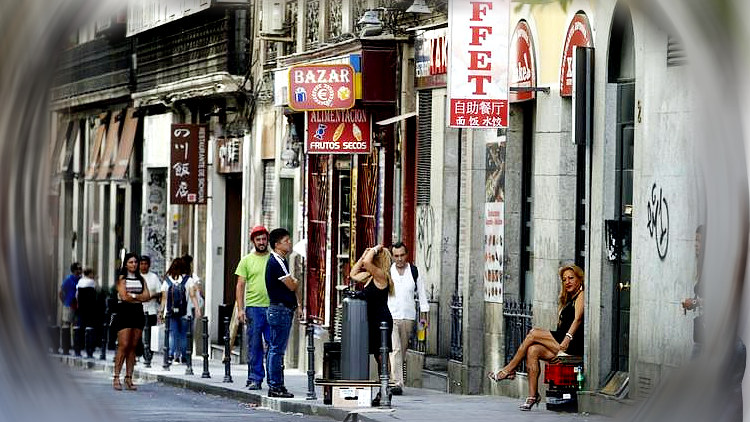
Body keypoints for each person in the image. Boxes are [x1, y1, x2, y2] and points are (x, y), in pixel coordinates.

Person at [489, 263, 584, 411]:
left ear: (580, 279)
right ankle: (532, 396)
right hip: (561, 342)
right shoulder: (568, 299)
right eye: (564, 280)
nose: (568, 282)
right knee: (532, 350)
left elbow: (578, 319)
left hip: (572, 343)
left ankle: (508, 370)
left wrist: (567, 338)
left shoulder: (581, 295)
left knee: (533, 333)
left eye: (571, 278)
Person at [387, 241, 429, 395]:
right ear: (392, 256)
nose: (399, 259)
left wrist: (424, 315)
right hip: (391, 315)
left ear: (407, 254)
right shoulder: (388, 271)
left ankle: (392, 376)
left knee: (402, 349)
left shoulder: (414, 271)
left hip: (408, 316)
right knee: (395, 349)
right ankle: (396, 383)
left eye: (402, 255)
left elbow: (422, 294)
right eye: (396, 256)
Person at [349, 244, 395, 385]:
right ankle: (384, 388)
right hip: (372, 320)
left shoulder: (382, 276)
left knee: (382, 355)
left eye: (374, 256)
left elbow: (367, 263)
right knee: (377, 355)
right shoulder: (370, 276)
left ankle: (385, 388)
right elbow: (353, 274)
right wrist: (363, 255)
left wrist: (375, 249)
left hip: (381, 320)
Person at [265, 228, 301, 398]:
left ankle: (277, 384)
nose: (289, 243)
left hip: (281, 309)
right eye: (286, 241)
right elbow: (292, 285)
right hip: (279, 309)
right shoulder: (276, 261)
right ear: (277, 244)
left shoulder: (281, 260)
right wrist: (295, 281)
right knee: (277, 349)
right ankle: (275, 385)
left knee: (275, 348)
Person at [235, 225, 271, 390]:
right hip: (254, 308)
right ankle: (255, 378)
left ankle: (274, 380)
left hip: (273, 307)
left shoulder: (273, 258)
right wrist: (241, 309)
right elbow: (240, 285)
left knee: (273, 345)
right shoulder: (247, 260)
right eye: (258, 239)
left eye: (264, 239)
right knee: (255, 344)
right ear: (253, 241)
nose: (262, 242)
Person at [112, 252, 150, 391]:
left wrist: (133, 296)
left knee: (133, 345)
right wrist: (137, 297)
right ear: (126, 264)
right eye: (131, 262)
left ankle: (129, 377)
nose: (134, 264)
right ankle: (116, 377)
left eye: (136, 262)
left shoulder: (141, 280)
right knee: (124, 345)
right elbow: (124, 297)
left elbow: (147, 296)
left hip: (138, 313)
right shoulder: (122, 279)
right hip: (124, 312)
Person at [139, 256, 162, 361]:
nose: (144, 266)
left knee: (150, 334)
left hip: (151, 310)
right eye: (142, 263)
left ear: (149, 265)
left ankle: (148, 354)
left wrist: (151, 296)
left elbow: (160, 291)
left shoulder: (153, 277)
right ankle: (139, 353)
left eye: (145, 264)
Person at [75, 268, 98, 358]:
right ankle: (90, 350)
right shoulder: (91, 282)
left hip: (81, 308)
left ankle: (78, 349)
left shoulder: (80, 282)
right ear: (89, 274)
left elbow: (76, 295)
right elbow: (97, 290)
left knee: (80, 328)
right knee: (90, 329)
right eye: (92, 273)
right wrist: (95, 280)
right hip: (90, 308)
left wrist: (78, 304)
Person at [59, 262, 82, 343]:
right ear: (73, 270)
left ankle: (74, 344)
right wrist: (64, 302)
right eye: (77, 269)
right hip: (69, 305)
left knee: (76, 325)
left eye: (80, 269)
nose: (79, 271)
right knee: (67, 324)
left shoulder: (81, 280)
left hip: (77, 305)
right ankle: (66, 344)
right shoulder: (68, 279)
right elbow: (61, 292)